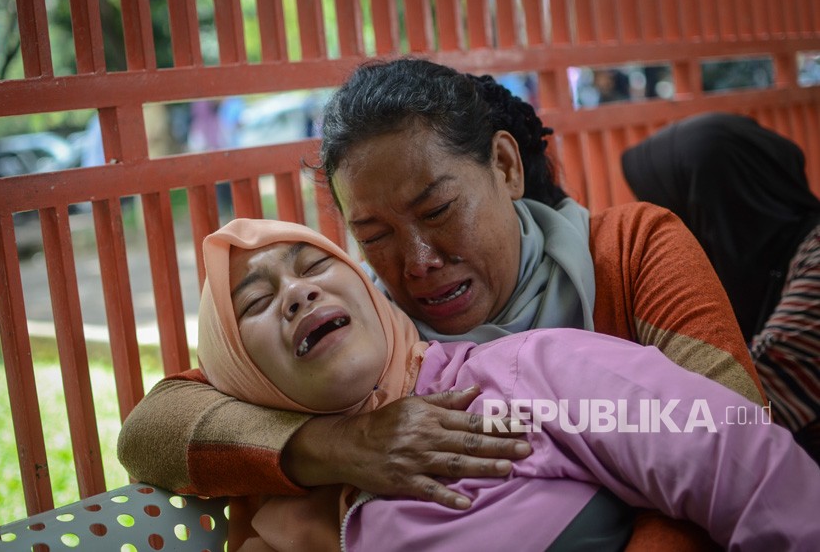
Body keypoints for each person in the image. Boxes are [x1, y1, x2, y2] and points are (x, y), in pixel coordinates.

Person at [118, 59, 765, 550]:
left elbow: (734, 439)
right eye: (374, 236)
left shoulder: (629, 253)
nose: (419, 261)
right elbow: (154, 429)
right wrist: (341, 445)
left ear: (506, 167)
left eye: (439, 210)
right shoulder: (366, 338)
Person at [199, 217, 820, 552]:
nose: (297, 293)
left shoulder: (517, 378)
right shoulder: (269, 523)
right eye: (254, 302)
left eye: (314, 266)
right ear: (237, 371)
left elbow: (733, 457)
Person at [621, 112, 820, 464]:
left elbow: (738, 408)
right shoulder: (767, 264)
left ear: (720, 201)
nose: (668, 243)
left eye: (675, 216)